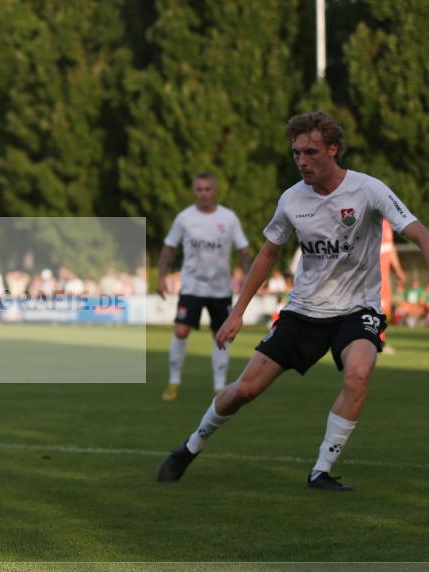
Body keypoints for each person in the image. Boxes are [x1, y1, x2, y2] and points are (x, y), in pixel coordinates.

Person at [157, 111, 429, 491]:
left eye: (311, 152)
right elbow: (268, 255)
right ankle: (190, 446)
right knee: (245, 390)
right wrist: (238, 312)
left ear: (333, 149)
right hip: (302, 311)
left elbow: (419, 233)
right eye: (296, 153)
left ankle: (321, 470)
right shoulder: (291, 200)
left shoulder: (368, 190)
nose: (302, 161)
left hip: (357, 310)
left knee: (359, 373)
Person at [156, 173, 252, 401]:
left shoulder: (228, 218)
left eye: (207, 189)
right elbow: (169, 248)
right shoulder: (184, 218)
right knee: (181, 330)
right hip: (192, 287)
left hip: (220, 289)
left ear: (214, 191)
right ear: (194, 192)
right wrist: (161, 277)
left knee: (221, 336)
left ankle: (219, 387)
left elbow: (243, 250)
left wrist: (249, 274)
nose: (203, 193)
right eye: (199, 189)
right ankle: (174, 382)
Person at [379, 219, 405, 352]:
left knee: (385, 310)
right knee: (378, 309)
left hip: (385, 277)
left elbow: (390, 248)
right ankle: (378, 342)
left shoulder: (387, 224)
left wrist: (398, 270)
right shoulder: (372, 221)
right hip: (374, 276)